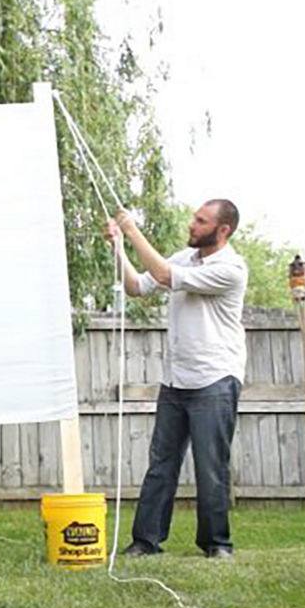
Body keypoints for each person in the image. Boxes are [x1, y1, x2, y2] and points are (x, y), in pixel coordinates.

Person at [105, 200, 248, 559]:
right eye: (194, 218)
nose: (192, 225)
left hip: (215, 378)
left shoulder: (230, 268)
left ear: (223, 230)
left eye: (201, 221)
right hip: (176, 380)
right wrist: (119, 248)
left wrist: (133, 230)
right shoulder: (183, 257)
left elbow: (166, 276)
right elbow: (138, 286)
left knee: (211, 467)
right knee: (161, 464)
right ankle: (145, 541)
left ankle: (217, 544)